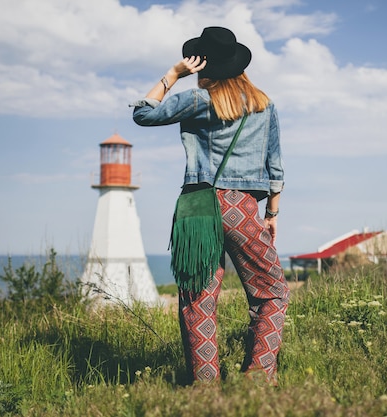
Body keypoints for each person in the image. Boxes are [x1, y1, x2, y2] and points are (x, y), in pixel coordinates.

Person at [131, 26, 289, 385]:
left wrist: (172, 75)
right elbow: (275, 165)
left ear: (202, 64)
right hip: (242, 208)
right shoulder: (264, 105)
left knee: (197, 299)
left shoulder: (197, 100)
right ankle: (257, 378)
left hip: (198, 208)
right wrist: (272, 213)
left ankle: (205, 386)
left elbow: (143, 114)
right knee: (272, 293)